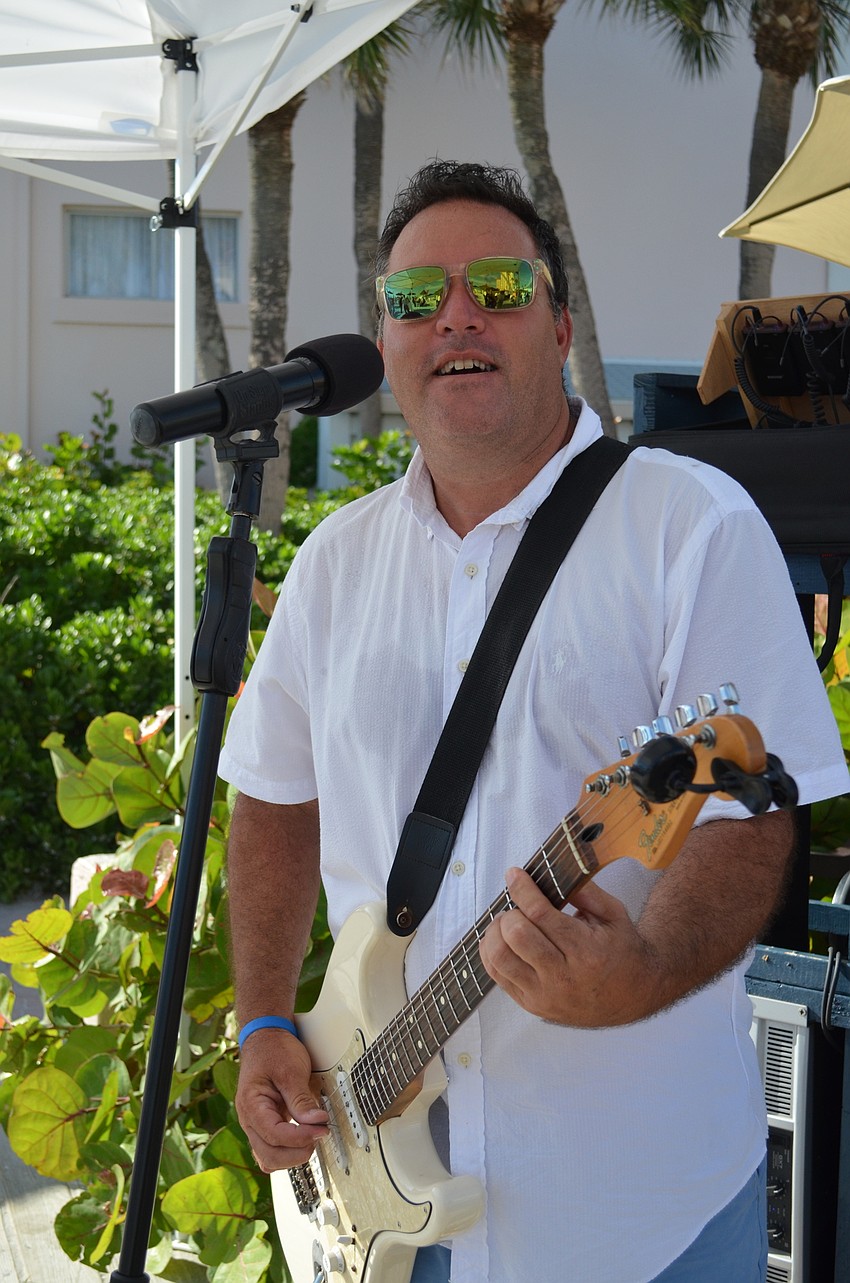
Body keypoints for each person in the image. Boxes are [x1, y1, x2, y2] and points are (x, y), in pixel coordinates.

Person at [218, 160, 849, 1283]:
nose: (457, 315)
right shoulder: (332, 564)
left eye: (499, 287)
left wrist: (642, 969)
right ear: (385, 339)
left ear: (559, 327)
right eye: (417, 297)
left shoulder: (692, 527)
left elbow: (749, 820)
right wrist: (264, 1018)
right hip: (378, 1213)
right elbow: (272, 795)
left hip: (639, 1217)